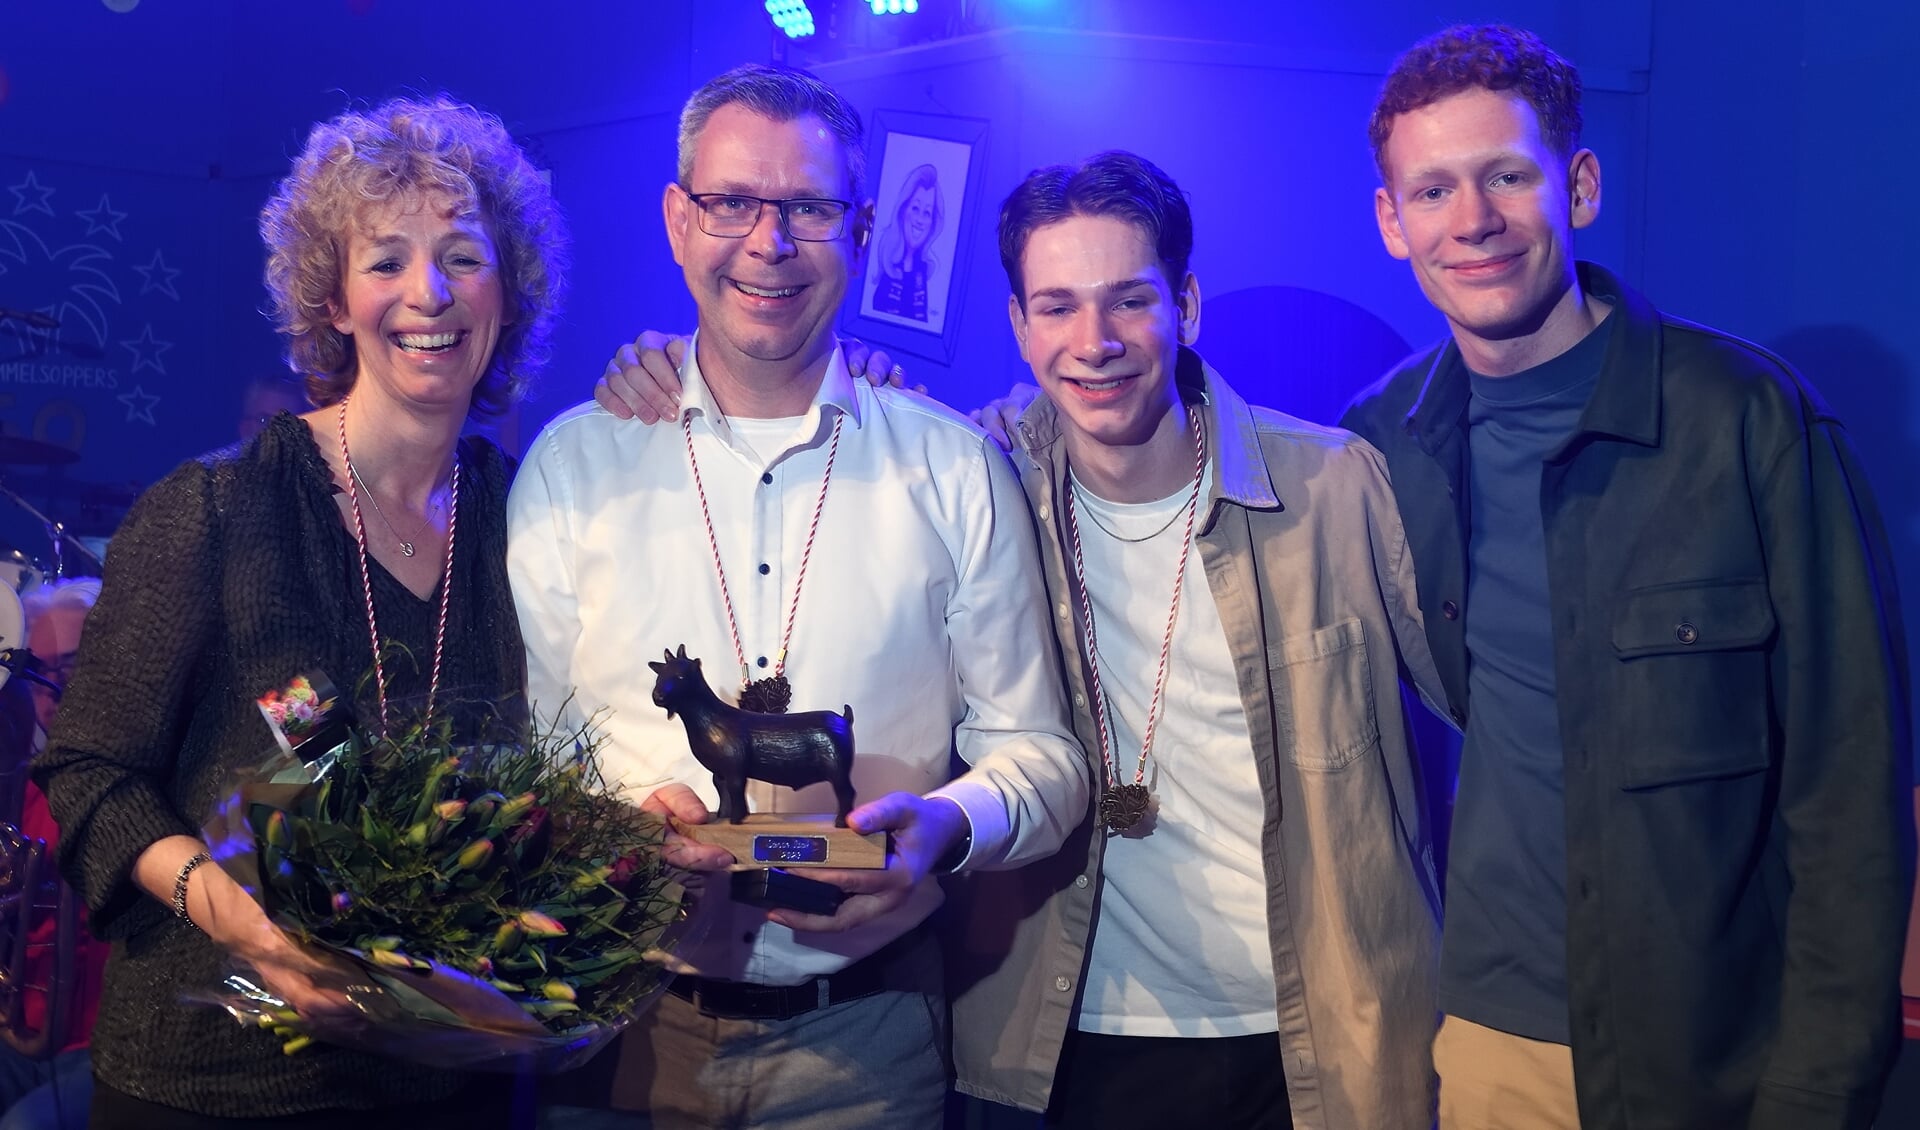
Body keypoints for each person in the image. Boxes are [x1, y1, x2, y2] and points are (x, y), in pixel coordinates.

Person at [600, 150, 1450, 1129]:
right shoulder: (977, 472)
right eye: (1056, 306)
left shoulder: (1337, 488)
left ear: (1188, 304)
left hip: (1317, 1045)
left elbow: (1496, 708)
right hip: (1059, 1041)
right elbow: (824, 428)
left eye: (1129, 300)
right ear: (1018, 324)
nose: (1095, 341)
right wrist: (668, 369)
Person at [1339, 24, 1912, 1129]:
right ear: (1392, 224)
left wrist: (1818, 1089)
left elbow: (1852, 786)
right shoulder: (1379, 447)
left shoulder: (1748, 420)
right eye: (1435, 190)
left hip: (1715, 1058)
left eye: (1508, 175)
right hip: (1486, 1050)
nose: (1474, 221)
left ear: (1580, 185)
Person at [508, 63, 1085, 1130]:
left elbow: (1043, 758)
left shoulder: (953, 469)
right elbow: (538, 755)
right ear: (679, 221)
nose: (768, 241)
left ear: (860, 229)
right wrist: (607, 831)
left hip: (863, 1045)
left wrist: (945, 825)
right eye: (731, 201)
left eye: (809, 207)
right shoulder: (569, 469)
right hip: (615, 1024)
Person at [32, 94, 566, 1127]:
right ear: (332, 299)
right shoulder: (217, 507)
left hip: (451, 1079)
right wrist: (247, 928)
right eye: (387, 261)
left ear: (507, 290)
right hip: (215, 1081)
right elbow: (89, 772)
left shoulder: (532, 512)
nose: (430, 293)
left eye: (464, 255)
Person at [0, 581, 106, 1130]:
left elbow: (320, 731)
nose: (52, 689)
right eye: (36, 671)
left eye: (71, 666)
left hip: (111, 1049)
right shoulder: (23, 786)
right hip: (22, 1039)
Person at [869, 163, 941, 321]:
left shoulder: (921, 270)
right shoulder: (890, 265)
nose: (920, 220)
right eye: (915, 208)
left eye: (927, 213)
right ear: (903, 210)